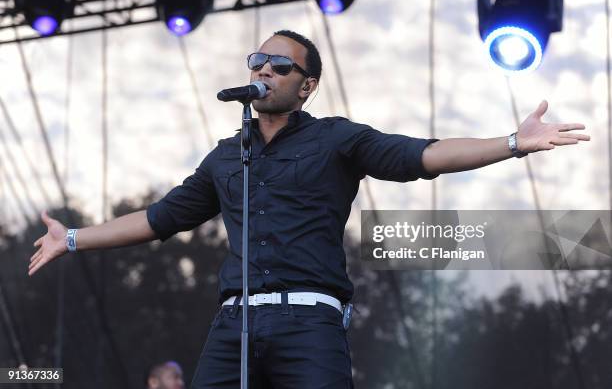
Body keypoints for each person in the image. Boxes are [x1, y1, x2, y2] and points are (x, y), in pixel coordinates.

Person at [28, 29, 590, 388]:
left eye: (279, 64)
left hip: (310, 324)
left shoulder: (337, 139)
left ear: (307, 85)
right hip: (234, 325)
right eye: (257, 62)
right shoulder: (227, 158)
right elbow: (160, 219)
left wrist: (513, 143)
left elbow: (425, 155)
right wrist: (71, 238)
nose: (263, 71)